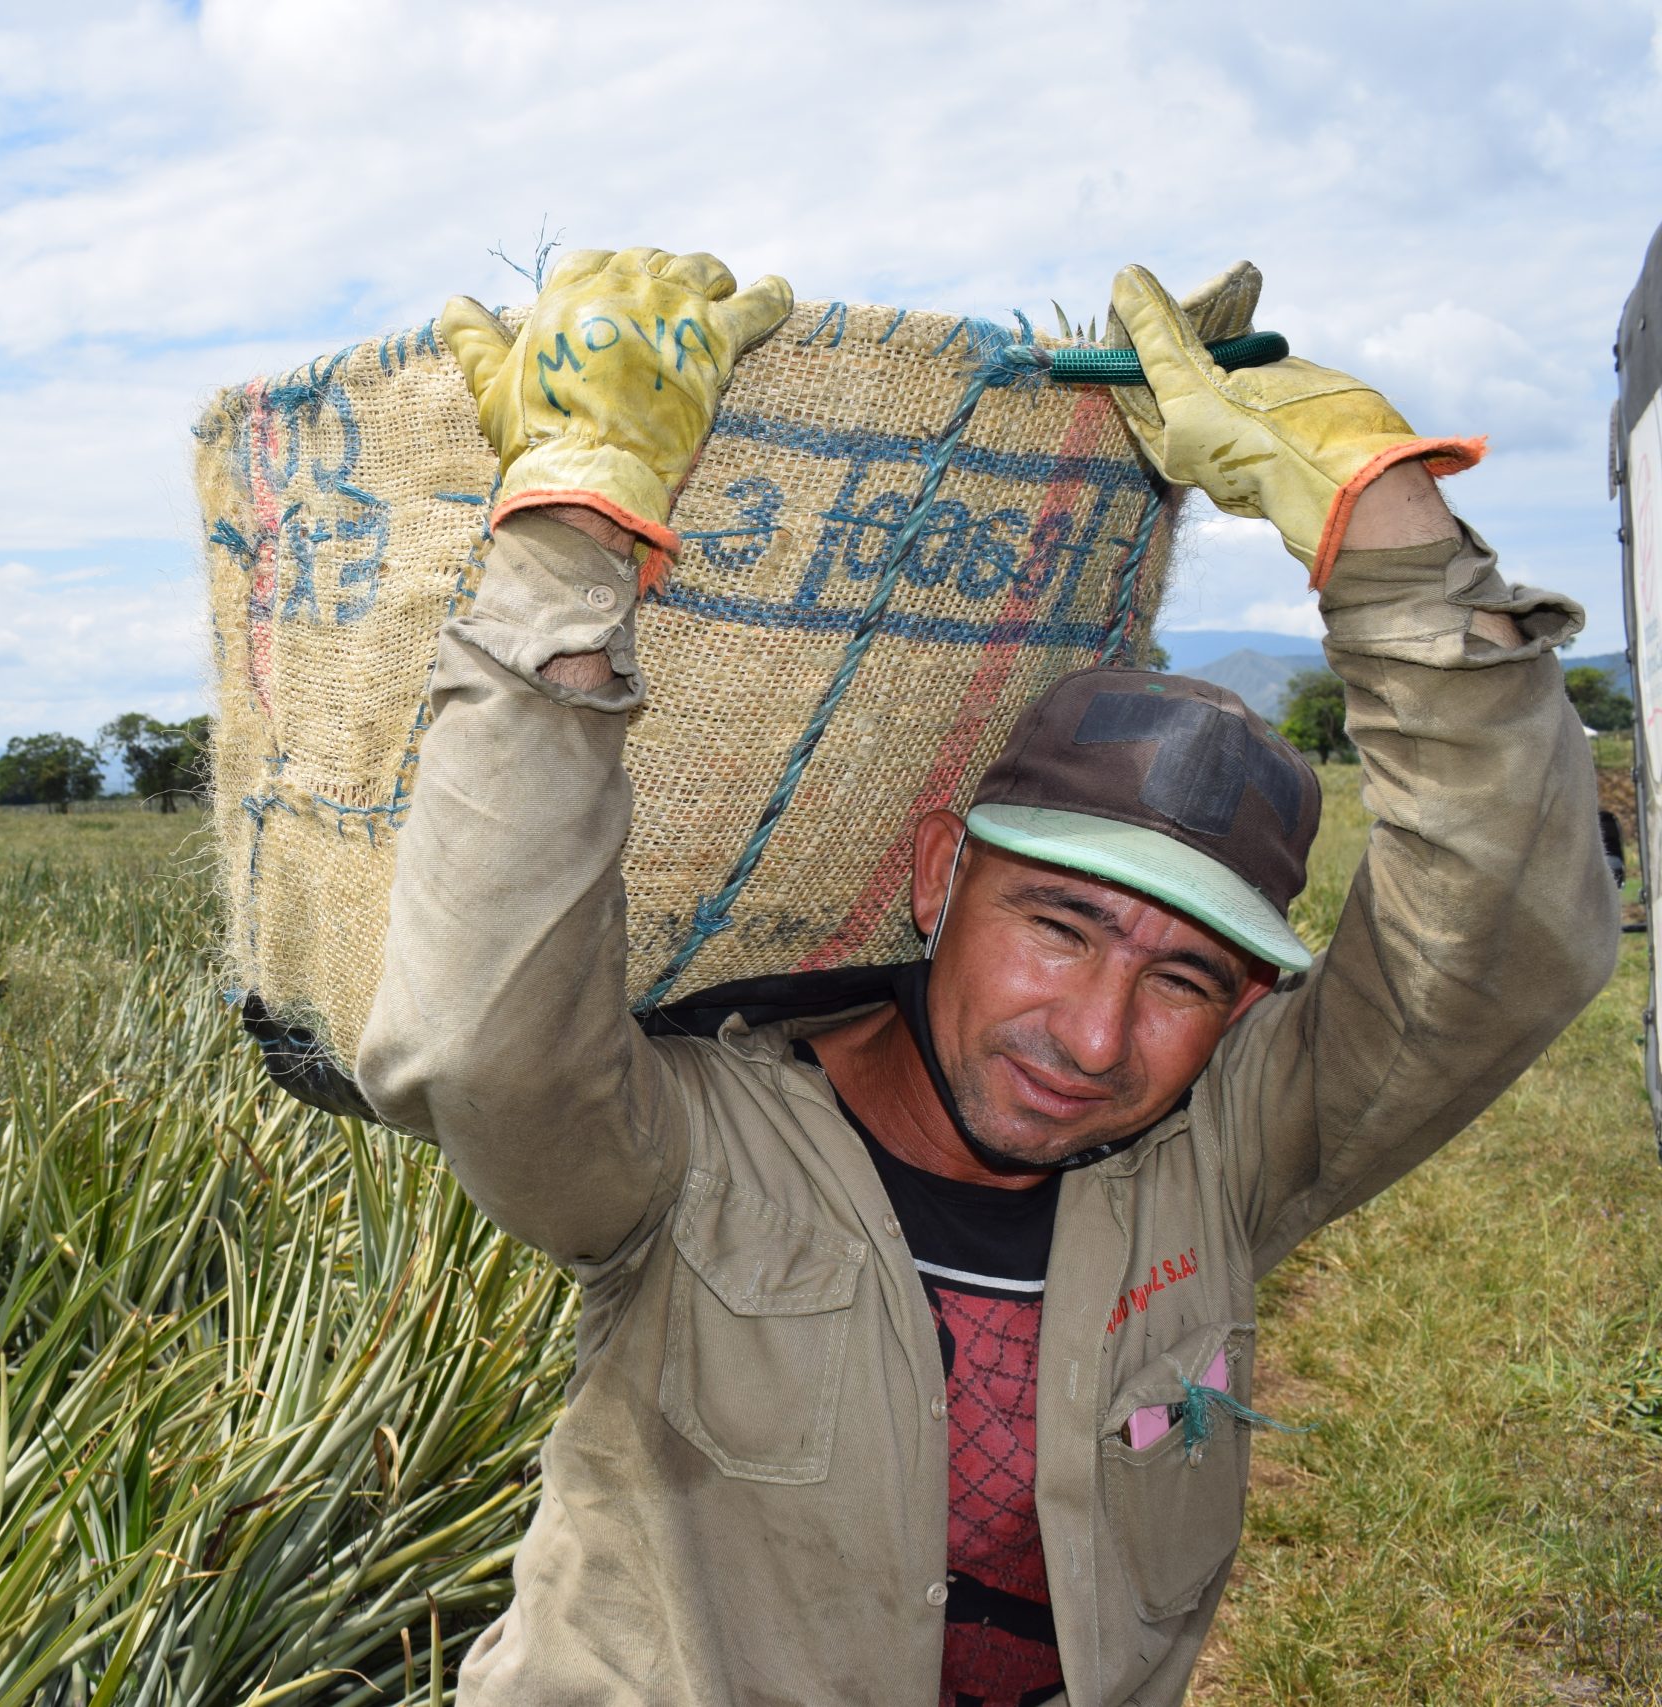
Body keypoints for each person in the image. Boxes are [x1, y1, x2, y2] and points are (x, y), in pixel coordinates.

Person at [356, 248, 1619, 1707]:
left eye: (1183, 980)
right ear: (938, 876)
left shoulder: (1220, 1167)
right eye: (1061, 927)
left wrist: (1383, 526)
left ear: (1250, 1008)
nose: (1095, 1039)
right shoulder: (689, 1157)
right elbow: (480, 1045)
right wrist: (574, 544)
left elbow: (1509, 945)